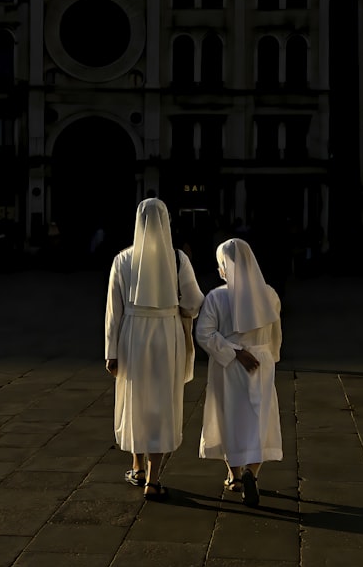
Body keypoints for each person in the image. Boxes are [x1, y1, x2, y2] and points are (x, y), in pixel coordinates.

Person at [104, 198, 205, 501]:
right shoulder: (177, 260)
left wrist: (111, 351)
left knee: (136, 397)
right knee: (162, 401)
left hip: (133, 335)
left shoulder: (123, 260)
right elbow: (193, 302)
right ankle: (153, 477)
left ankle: (135, 465)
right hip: (167, 333)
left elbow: (113, 311)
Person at [196, 237, 283, 507]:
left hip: (230, 364)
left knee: (229, 417)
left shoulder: (217, 296)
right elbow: (275, 332)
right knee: (259, 419)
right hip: (261, 361)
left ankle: (233, 475)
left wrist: (233, 351)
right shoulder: (268, 293)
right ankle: (251, 473)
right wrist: (270, 357)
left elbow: (204, 334)